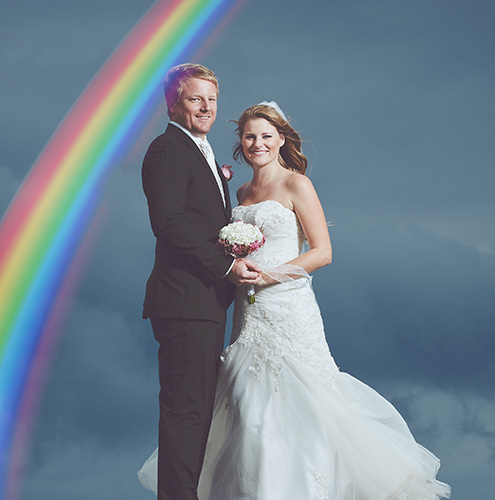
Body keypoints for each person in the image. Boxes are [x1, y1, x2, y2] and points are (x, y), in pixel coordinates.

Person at [140, 102, 451, 500]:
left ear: (281, 139)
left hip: (287, 306)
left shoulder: (296, 184)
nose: (258, 144)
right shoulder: (239, 191)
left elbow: (323, 251)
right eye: (250, 137)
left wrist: (268, 276)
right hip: (247, 314)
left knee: (301, 409)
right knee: (250, 417)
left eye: (266, 136)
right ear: (241, 143)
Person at [140, 64, 262, 500]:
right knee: (185, 415)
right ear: (174, 103)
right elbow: (168, 224)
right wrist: (226, 267)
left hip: (206, 306)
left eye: (211, 99)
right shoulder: (167, 150)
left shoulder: (203, 150)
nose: (207, 108)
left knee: (198, 416)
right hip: (184, 303)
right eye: (196, 99)